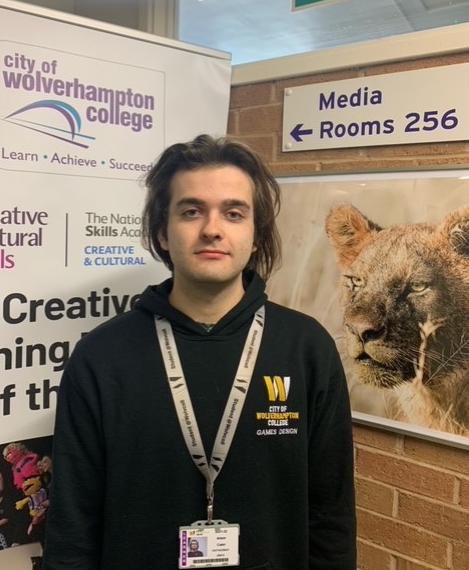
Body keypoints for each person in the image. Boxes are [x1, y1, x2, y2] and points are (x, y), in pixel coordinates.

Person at [44, 134, 356, 569]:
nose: (212, 228)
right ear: (162, 232)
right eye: (191, 211)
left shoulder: (307, 350)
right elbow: (72, 529)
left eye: (233, 212)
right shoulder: (101, 358)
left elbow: (331, 518)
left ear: (254, 233)